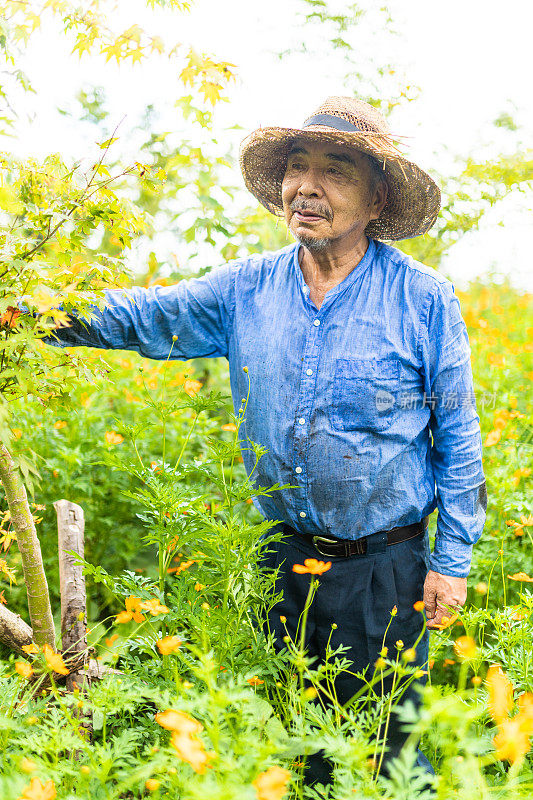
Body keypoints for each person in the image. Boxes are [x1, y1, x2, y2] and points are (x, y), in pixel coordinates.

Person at [41, 97, 486, 785]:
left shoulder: (422, 299)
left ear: (376, 198)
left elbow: (456, 435)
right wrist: (33, 306)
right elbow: (141, 315)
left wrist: (450, 561)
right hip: (280, 560)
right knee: (290, 749)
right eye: (297, 168)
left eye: (333, 171)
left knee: (390, 757)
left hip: (384, 569)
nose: (305, 187)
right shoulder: (246, 288)